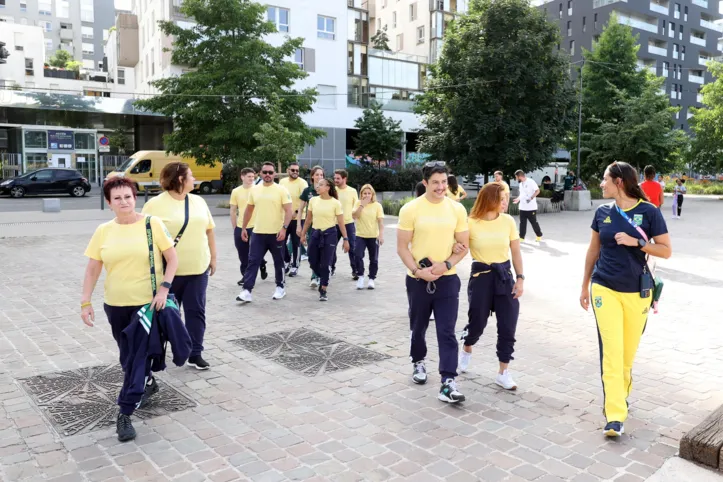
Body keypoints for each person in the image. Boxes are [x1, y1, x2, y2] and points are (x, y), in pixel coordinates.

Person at [81, 177, 181, 442]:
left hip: (146, 306)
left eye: (128, 196)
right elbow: (93, 268)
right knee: (127, 356)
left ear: (135, 197)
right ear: (109, 203)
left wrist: (164, 289)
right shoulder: (103, 230)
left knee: (135, 359)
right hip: (114, 305)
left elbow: (172, 258)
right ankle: (147, 381)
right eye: (117, 198)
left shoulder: (152, 224)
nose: (124, 202)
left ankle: (125, 412)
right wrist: (85, 301)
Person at [580, 161, 671, 438]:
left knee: (626, 355)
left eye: (605, 179)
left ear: (619, 182)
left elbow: (666, 251)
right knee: (612, 351)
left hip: (637, 292)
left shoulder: (649, 212)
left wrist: (638, 243)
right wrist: (585, 285)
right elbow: (593, 250)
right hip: (604, 286)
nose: (601, 184)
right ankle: (615, 415)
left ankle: (621, 394)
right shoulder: (602, 212)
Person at [397, 162, 469, 404]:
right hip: (418, 281)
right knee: (418, 327)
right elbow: (402, 247)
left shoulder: (457, 209)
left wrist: (447, 264)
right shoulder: (410, 209)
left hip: (448, 280)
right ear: (425, 183)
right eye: (436, 182)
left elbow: (463, 247)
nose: (441, 187)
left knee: (447, 331)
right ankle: (418, 361)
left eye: (444, 182)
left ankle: (448, 381)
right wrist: (418, 271)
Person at [142, 162, 217, 371]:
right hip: (168, 273)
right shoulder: (155, 205)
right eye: (191, 176)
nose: (194, 179)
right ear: (180, 179)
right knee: (167, 316)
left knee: (196, 312)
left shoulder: (199, 201)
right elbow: (147, 239)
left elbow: (209, 231)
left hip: (197, 268)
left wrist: (213, 258)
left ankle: (195, 353)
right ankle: (164, 352)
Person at [458, 182, 524, 390]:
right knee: (477, 323)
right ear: (490, 200)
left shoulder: (508, 221)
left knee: (508, 326)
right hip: (481, 278)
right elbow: (458, 245)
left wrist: (520, 278)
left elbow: (515, 252)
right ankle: (467, 345)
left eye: (506, 198)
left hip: (505, 277)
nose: (506, 202)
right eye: (502, 198)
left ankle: (503, 372)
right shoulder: (471, 222)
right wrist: (454, 245)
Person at [236, 162, 292, 303]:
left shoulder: (281, 190)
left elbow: (289, 211)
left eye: (270, 172)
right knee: (253, 261)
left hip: (276, 233)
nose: (268, 175)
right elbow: (248, 210)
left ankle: (280, 287)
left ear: (274, 174)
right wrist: (243, 228)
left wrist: (284, 228)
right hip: (258, 233)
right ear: (260, 173)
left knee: (279, 262)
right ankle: (247, 291)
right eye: (265, 172)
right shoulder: (254, 190)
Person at [300, 178, 350, 301]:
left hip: (330, 234)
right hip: (316, 233)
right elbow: (308, 219)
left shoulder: (335, 203)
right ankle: (323, 276)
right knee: (312, 260)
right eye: (317, 185)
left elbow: (341, 223)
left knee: (325, 262)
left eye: (321, 185)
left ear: (328, 188)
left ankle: (323, 289)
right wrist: (303, 234)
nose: (317, 186)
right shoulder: (313, 200)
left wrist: (345, 239)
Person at [230, 168, 267, 285]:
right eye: (249, 176)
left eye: (253, 177)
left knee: (255, 253)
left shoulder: (259, 190)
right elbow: (233, 210)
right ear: (242, 177)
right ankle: (246, 274)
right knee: (243, 254)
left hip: (256, 227)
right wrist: (235, 227)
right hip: (241, 226)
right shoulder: (236, 191)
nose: (251, 179)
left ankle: (256, 269)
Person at [352, 184, 385, 290]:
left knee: (374, 259)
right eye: (364, 193)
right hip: (360, 235)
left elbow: (380, 222)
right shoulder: (358, 203)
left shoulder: (377, 206)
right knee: (357, 256)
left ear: (372, 194)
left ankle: (371, 278)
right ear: (361, 194)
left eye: (369, 193)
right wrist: (362, 205)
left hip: (373, 236)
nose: (366, 195)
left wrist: (381, 235)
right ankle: (360, 276)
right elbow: (354, 216)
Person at [298, 165, 325, 288]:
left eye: (321, 175)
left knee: (322, 252)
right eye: (317, 174)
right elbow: (300, 209)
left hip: (325, 227)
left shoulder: (326, 190)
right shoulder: (307, 191)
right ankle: (315, 274)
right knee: (312, 252)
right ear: (312, 176)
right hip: (311, 227)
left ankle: (317, 276)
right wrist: (299, 225)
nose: (319, 176)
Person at [280, 162, 308, 277]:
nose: (295, 172)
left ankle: (295, 266)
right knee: (280, 241)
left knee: (296, 243)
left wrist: (295, 213)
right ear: (288, 170)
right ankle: (287, 261)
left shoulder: (303, 183)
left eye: (297, 170)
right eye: (293, 170)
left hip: (298, 219)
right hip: (284, 218)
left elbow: (305, 201)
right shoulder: (282, 182)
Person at [332, 169, 359, 279]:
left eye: (338, 178)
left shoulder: (352, 191)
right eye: (335, 178)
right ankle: (331, 268)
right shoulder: (332, 190)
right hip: (334, 224)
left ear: (344, 179)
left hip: (348, 224)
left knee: (352, 248)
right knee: (331, 247)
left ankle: (355, 270)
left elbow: (356, 207)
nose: (335, 180)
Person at [513, 170, 543, 243]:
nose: (516, 179)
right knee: (522, 223)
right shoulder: (521, 184)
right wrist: (518, 199)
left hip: (531, 207)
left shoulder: (531, 182)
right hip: (522, 207)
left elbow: (537, 191)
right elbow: (522, 194)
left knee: (533, 222)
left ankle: (539, 235)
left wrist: (531, 197)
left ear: (520, 176)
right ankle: (521, 237)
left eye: (516, 177)